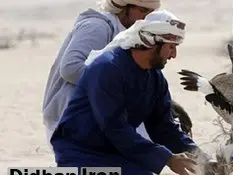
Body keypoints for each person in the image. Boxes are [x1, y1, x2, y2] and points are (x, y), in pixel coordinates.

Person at [37, 9, 209, 175]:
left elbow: (164, 127)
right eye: (171, 47)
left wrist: (202, 158)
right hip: (81, 151)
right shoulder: (107, 68)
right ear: (151, 42)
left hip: (116, 152)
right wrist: (167, 159)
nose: (174, 55)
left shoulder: (156, 79)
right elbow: (114, 128)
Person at [41, 0, 160, 150]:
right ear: (123, 7)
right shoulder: (97, 26)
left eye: (151, 12)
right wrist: (118, 86)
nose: (146, 18)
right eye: (143, 11)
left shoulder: (130, 34)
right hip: (71, 119)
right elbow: (71, 69)